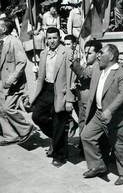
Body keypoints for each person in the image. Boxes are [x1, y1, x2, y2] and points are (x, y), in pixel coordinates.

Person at [80, 44, 123, 186]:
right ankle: (98, 165)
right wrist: (73, 64)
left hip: (116, 116)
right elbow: (84, 73)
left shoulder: (122, 74)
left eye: (101, 53)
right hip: (98, 113)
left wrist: (110, 110)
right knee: (86, 136)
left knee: (119, 146)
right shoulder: (98, 68)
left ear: (111, 56)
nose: (98, 55)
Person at [31, 27, 75, 167]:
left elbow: (71, 77)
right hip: (46, 90)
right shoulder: (44, 53)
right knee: (37, 116)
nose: (52, 41)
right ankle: (59, 138)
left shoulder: (67, 52)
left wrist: (69, 99)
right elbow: (42, 77)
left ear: (59, 38)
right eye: (49, 38)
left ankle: (59, 156)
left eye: (54, 38)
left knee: (59, 123)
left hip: (60, 92)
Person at [0, 19, 34, 145]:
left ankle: (25, 128)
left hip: (12, 84)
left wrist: (11, 79)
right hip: (1, 81)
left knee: (7, 108)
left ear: (3, 29)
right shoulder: (1, 42)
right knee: (1, 109)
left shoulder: (13, 42)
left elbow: (22, 62)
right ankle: (10, 135)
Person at [69, 40, 102, 153]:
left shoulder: (97, 66)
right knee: (82, 123)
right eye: (85, 53)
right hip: (82, 100)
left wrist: (74, 63)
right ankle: (84, 148)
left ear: (98, 54)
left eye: (89, 53)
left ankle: (89, 150)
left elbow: (84, 75)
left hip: (90, 103)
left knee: (87, 126)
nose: (86, 55)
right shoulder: (88, 64)